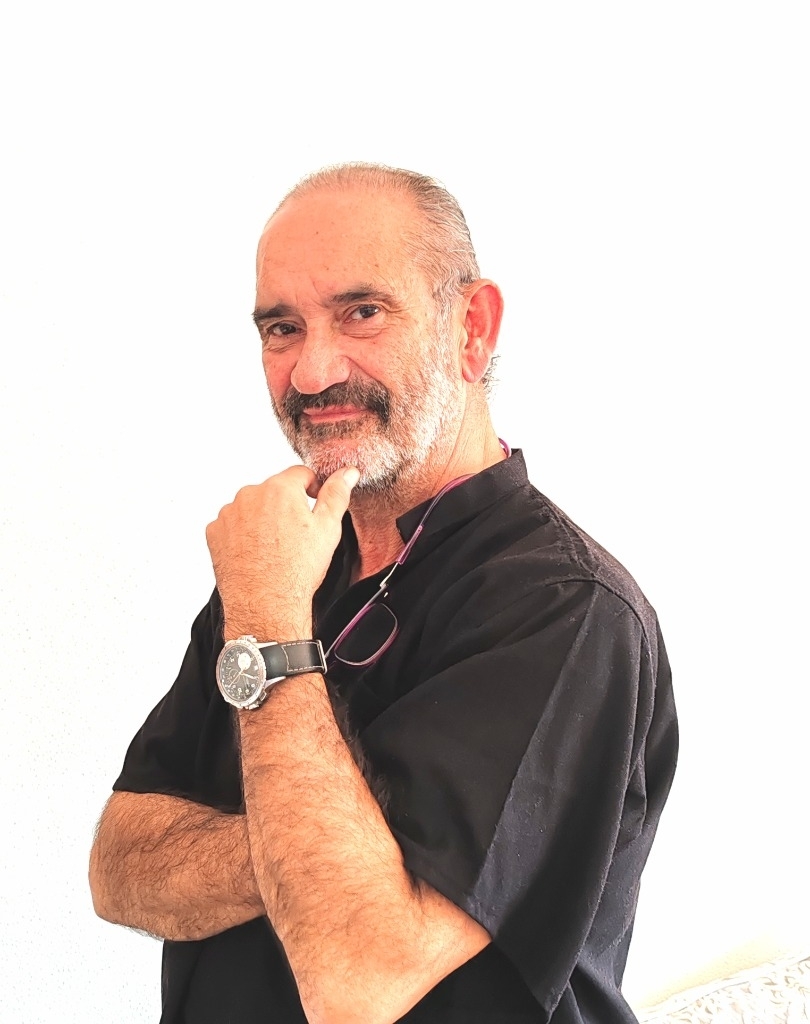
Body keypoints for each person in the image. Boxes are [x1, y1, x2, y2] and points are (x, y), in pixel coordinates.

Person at [89, 163, 678, 1024]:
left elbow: (356, 977)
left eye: (362, 312)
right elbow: (118, 868)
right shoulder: (287, 562)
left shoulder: (567, 609)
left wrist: (268, 621)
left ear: (471, 329)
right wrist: (313, 858)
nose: (312, 371)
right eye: (281, 328)